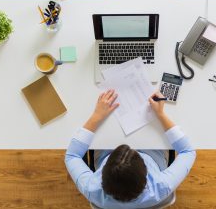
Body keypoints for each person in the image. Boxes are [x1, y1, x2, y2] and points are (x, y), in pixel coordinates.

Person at [65, 89, 196, 208]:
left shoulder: (92, 188)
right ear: (146, 175)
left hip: (106, 152)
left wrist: (97, 116)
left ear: (101, 178)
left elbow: (72, 155)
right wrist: (160, 114)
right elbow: (188, 151)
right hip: (153, 156)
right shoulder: (161, 186)